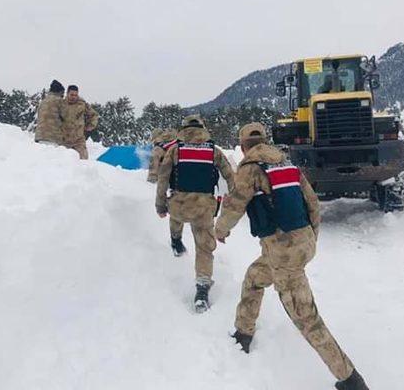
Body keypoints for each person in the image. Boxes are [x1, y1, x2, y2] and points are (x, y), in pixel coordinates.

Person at [214, 123, 369, 390]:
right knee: (254, 278)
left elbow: (236, 203)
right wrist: (309, 239)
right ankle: (243, 333)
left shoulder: (250, 169)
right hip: (297, 245)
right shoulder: (286, 165)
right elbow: (312, 203)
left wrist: (220, 230)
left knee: (307, 319)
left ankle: (350, 379)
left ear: (242, 147)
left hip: (284, 255)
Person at [155, 115, 234, 312]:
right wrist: (233, 201)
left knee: (175, 212)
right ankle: (202, 288)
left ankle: (175, 240)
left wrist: (160, 205)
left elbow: (163, 179)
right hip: (204, 208)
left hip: (179, 205)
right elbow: (230, 176)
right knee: (204, 248)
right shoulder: (213, 151)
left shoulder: (175, 150)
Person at [35, 80, 65, 145]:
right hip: (53, 138)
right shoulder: (60, 101)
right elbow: (67, 118)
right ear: (60, 92)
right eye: (63, 93)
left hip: (39, 137)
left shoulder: (43, 101)